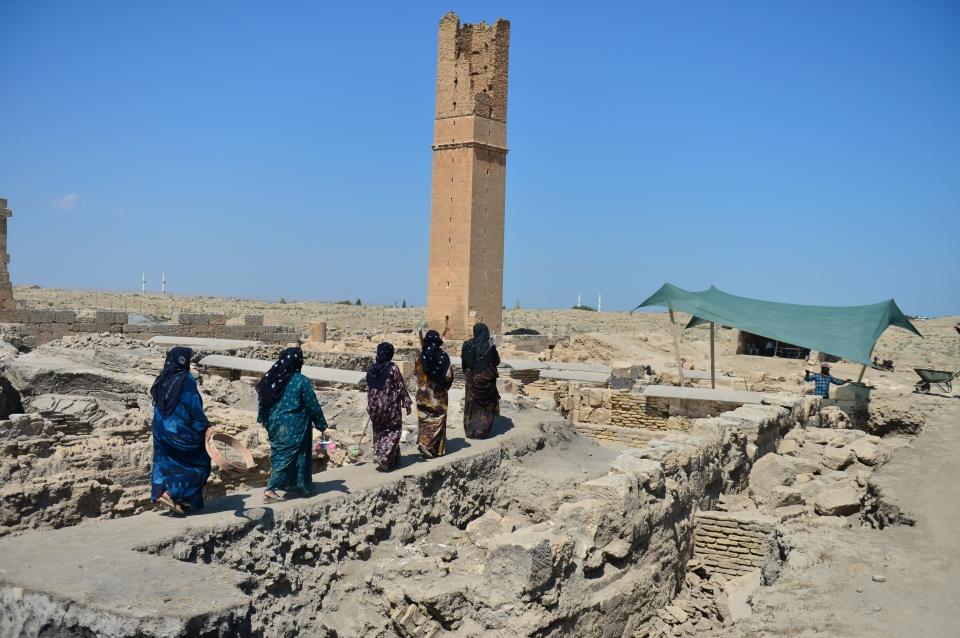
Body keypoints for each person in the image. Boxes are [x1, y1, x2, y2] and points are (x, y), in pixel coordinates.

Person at [257, 347, 328, 501]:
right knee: (287, 456)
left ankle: (299, 485)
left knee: (284, 453)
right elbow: (312, 404)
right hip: (294, 425)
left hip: (274, 424)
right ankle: (271, 488)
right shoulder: (301, 381)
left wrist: (264, 419)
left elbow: (263, 400)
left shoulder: (272, 378)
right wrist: (321, 423)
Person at [150, 347, 212, 516]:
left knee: (166, 462)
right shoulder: (187, 380)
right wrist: (205, 427)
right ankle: (171, 493)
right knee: (201, 464)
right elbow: (193, 406)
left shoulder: (161, 378)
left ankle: (179, 500)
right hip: (180, 432)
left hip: (159, 429)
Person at [366, 342, 412, 471]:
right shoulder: (392, 368)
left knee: (380, 431)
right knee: (394, 431)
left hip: (374, 408)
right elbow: (401, 386)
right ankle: (384, 455)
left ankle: (393, 460)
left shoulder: (371, 369)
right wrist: (407, 402)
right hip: (389, 408)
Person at [415, 329, 454, 458]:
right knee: (437, 420)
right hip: (438, 396)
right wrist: (444, 387)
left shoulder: (420, 356)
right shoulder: (444, 357)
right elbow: (448, 376)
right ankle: (427, 444)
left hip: (422, 395)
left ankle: (426, 444)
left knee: (424, 419)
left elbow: (417, 372)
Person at [461, 322, 501, 439]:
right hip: (487, 379)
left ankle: (470, 430)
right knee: (486, 405)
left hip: (471, 379)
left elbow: (464, 362)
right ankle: (482, 431)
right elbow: (496, 362)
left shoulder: (467, 345)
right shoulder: (489, 347)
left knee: (471, 404)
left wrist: (469, 373)